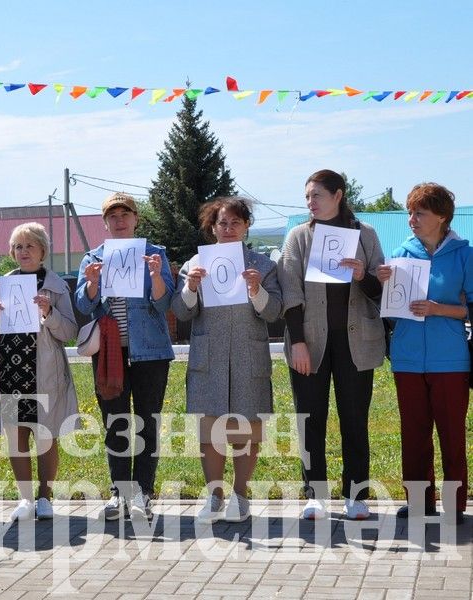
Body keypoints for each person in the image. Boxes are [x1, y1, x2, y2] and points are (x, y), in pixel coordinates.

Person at [277, 169, 385, 520]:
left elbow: (382, 291)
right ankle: (315, 494)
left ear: (338, 195)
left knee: (355, 420)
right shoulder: (298, 237)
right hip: (310, 342)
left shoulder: (365, 234)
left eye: (317, 195)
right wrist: (298, 343)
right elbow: (290, 292)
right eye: (307, 196)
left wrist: (362, 276)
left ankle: (356, 495)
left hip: (357, 343)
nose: (310, 203)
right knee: (310, 419)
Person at [171, 197, 283, 523]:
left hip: (249, 358)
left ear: (247, 226)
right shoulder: (195, 263)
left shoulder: (264, 266)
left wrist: (256, 290)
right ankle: (214, 495)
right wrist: (190, 287)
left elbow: (274, 311)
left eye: (236, 222)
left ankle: (242, 496)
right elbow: (182, 312)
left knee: (247, 430)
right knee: (211, 432)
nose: (229, 228)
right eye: (222, 223)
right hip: (210, 359)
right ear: (212, 227)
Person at [75, 192, 175, 521]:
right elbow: (83, 305)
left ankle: (143, 492)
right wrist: (92, 285)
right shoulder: (93, 257)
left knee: (148, 423)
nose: (119, 221)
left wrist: (157, 276)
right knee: (115, 424)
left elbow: (164, 305)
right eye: (112, 216)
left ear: (136, 219)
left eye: (125, 214)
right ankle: (119, 493)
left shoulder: (155, 254)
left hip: (150, 352)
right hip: (110, 353)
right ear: (104, 222)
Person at [376, 183, 472, 524]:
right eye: (410, 212)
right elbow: (387, 308)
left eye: (420, 213)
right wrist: (381, 284)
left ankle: (454, 506)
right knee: (413, 433)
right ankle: (419, 503)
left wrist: (439, 309)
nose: (412, 219)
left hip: (451, 359)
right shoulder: (400, 253)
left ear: (442, 216)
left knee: (451, 433)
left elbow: (471, 307)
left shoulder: (465, 254)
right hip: (407, 358)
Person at [0, 223, 79, 522]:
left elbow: (70, 331)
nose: (23, 252)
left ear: (43, 251)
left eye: (29, 246)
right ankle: (24, 499)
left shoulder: (57, 286)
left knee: (45, 435)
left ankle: (45, 497)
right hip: (10, 370)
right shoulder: (2, 285)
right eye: (18, 247)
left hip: (44, 371)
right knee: (16, 436)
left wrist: (49, 314)